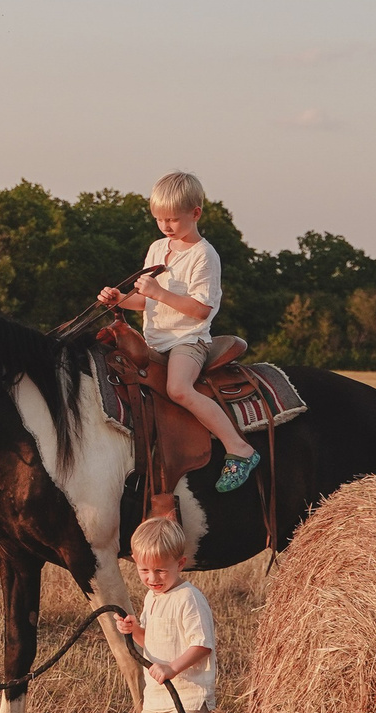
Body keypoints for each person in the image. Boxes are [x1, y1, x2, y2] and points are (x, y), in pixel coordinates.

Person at [97, 170, 261, 493]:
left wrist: (159, 293)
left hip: (189, 340)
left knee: (178, 389)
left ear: (195, 213)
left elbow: (201, 309)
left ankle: (239, 448)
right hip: (155, 339)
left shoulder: (204, 256)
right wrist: (121, 299)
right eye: (159, 219)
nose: (165, 226)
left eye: (172, 219)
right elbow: (145, 302)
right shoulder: (158, 248)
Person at [116, 515, 217, 713]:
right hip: (156, 700)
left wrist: (173, 668)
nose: (152, 578)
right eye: (144, 570)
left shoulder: (188, 599)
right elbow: (152, 642)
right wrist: (135, 631)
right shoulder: (152, 597)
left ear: (180, 563)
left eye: (161, 570)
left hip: (186, 700)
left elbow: (202, 645)